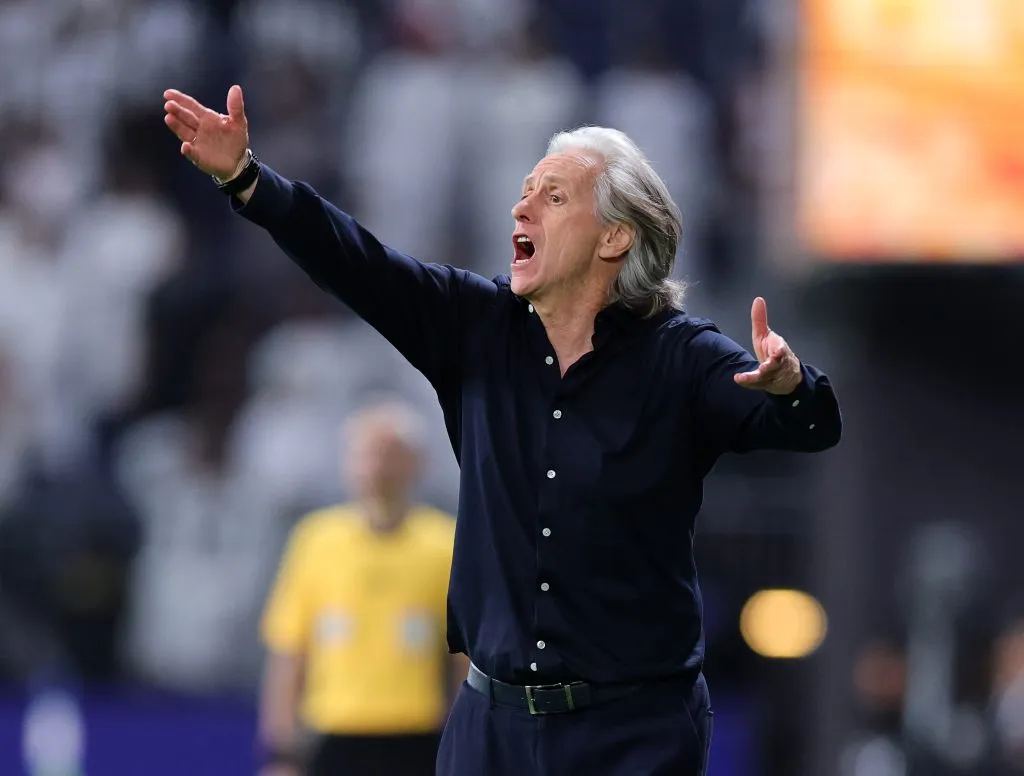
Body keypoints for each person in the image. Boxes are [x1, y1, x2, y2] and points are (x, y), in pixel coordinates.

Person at [162, 84, 842, 776]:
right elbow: (356, 261)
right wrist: (247, 179)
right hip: (492, 730)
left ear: (615, 236)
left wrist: (793, 387)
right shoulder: (476, 325)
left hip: (633, 733)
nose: (521, 206)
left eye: (553, 197)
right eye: (524, 191)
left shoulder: (681, 357)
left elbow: (807, 426)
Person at [258, 400, 464, 776]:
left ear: (415, 463)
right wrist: (281, 753)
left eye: (389, 454)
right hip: (333, 730)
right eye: (366, 454)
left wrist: (464, 740)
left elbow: (461, 658)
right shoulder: (316, 540)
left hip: (415, 731)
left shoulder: (443, 544)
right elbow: (289, 650)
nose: (376, 468)